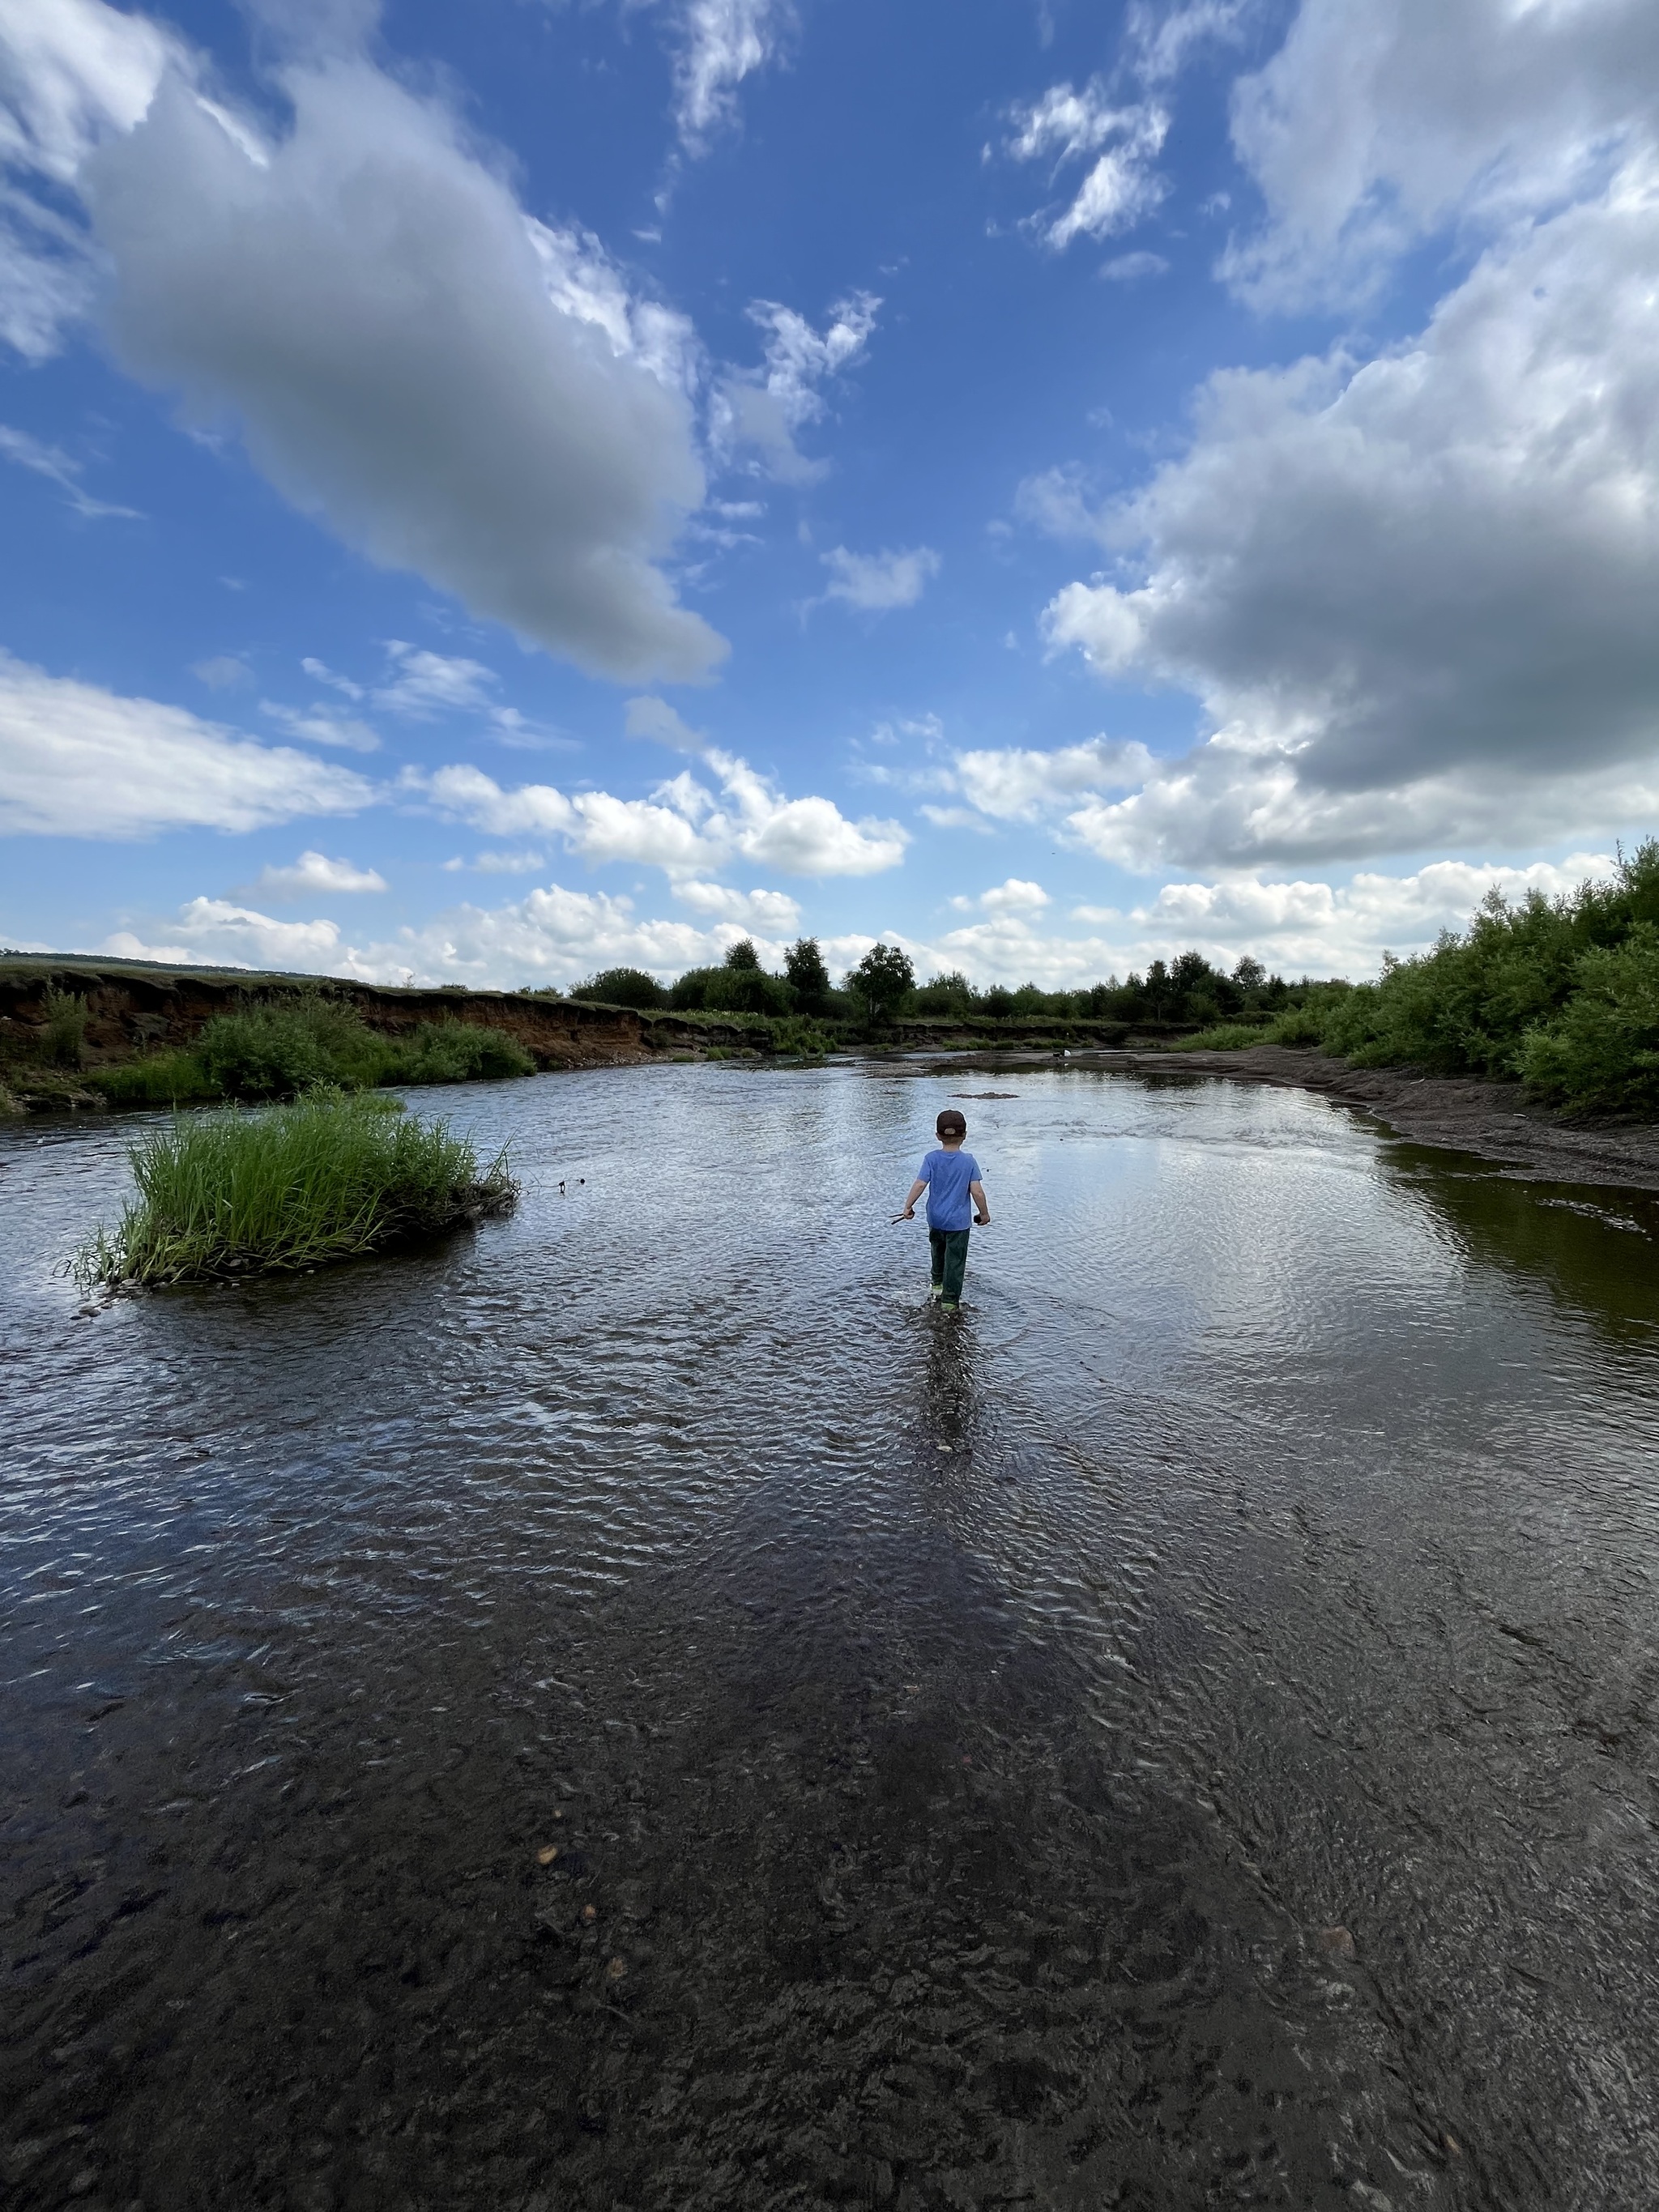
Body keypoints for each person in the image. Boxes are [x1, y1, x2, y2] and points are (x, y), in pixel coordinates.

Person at [900, 1108, 989, 1312]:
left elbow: (920, 1185)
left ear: (937, 1135)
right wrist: (984, 1214)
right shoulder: (968, 1161)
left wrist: (908, 1207)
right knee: (955, 1261)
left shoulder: (931, 1159)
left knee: (937, 1252)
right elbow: (977, 1192)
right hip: (958, 1223)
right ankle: (949, 1303)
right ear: (964, 1136)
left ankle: (937, 1287)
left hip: (936, 1219)